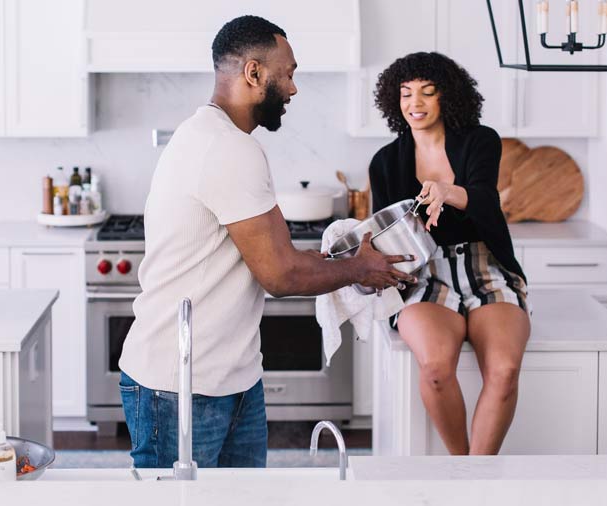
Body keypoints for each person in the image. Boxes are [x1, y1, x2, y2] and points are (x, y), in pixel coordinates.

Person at [118, 15, 414, 469]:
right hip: (179, 383)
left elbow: (280, 256)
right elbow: (280, 274)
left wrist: (346, 257)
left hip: (232, 378)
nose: (293, 89)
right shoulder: (227, 148)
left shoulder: (217, 137)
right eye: (289, 73)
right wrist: (360, 268)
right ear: (254, 73)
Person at [369, 52, 531, 455]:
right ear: (395, 101)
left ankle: (477, 477)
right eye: (406, 94)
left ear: (448, 97)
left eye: (427, 92)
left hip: (484, 266)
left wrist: (446, 191)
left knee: (505, 369)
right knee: (437, 370)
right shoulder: (385, 162)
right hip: (425, 272)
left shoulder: (480, 140)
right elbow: (386, 230)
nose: (415, 103)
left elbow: (484, 199)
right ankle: (461, 471)